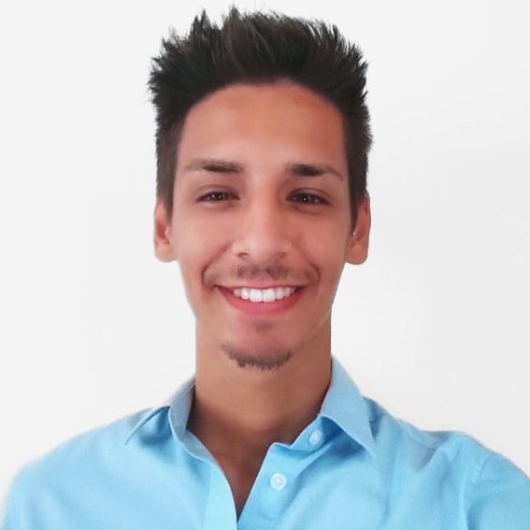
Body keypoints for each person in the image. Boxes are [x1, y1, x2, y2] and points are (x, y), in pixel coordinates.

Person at [2, 7, 529, 529]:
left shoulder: (476, 506)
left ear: (358, 228)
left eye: (306, 196)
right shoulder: (50, 505)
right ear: (164, 227)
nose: (262, 243)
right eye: (217, 194)